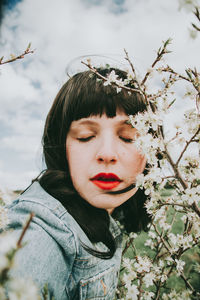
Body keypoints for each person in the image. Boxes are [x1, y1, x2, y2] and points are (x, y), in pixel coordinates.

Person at [7, 66, 151, 299]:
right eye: (86, 136)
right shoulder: (40, 237)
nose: (107, 153)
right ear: (62, 148)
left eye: (127, 137)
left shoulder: (104, 218)